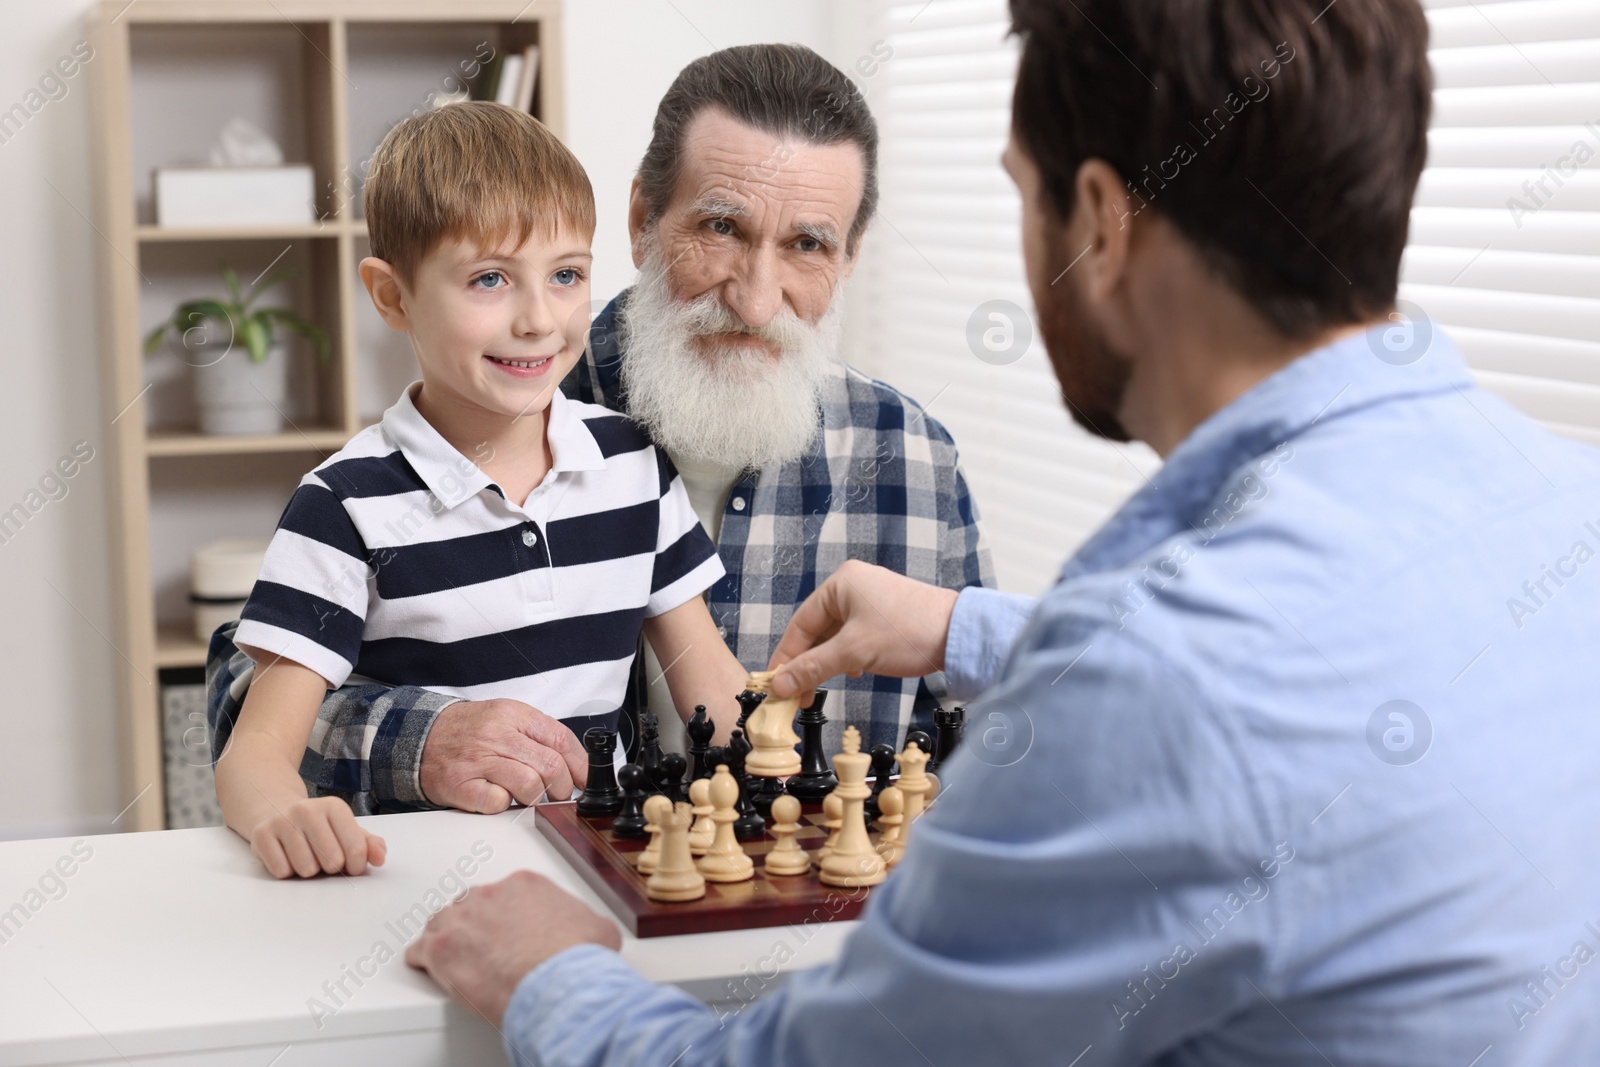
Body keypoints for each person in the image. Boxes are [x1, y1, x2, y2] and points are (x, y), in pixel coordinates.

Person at [402, 1, 1600, 1063]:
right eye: (721, 229)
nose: (759, 292)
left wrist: (556, 979)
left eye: (1025, 195)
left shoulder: (1151, 664)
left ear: (1099, 219)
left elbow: (1191, 696)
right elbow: (1306, 662)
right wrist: (979, 629)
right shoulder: (1566, 503)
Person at [205, 44, 994, 817]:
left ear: (850, 257)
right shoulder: (500, 402)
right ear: (643, 220)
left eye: (807, 244)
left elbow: (1006, 741)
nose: (756, 299)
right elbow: (239, 703)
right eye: (721, 226)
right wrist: (419, 737)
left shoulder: (914, 459)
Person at [213, 102, 748, 879]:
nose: (539, 319)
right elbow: (254, 753)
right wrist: (283, 812)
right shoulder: (343, 505)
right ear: (392, 297)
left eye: (566, 275)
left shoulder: (633, 464)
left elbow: (716, 691)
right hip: (421, 886)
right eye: (490, 278)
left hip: (608, 872)